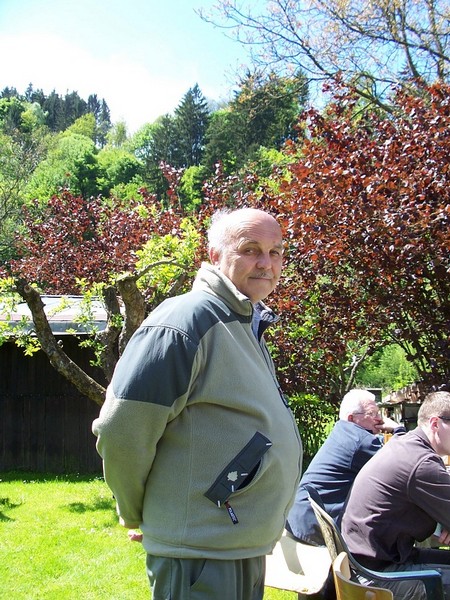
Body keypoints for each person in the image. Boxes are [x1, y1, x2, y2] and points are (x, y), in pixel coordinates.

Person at [92, 207, 303, 600]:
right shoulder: (186, 321)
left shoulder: (242, 321)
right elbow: (122, 431)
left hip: (237, 545)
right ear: (214, 255)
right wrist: (137, 512)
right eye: (250, 250)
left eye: (275, 252)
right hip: (201, 554)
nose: (266, 263)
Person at [342, 391, 450, 600]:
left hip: (367, 563)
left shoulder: (406, 445)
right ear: (435, 423)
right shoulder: (421, 463)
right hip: (378, 576)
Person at [286, 388, 403, 547]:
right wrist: (398, 429)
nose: (380, 419)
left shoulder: (345, 431)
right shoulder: (360, 440)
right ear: (352, 418)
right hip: (315, 525)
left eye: (378, 413)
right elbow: (403, 461)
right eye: (372, 414)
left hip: (301, 516)